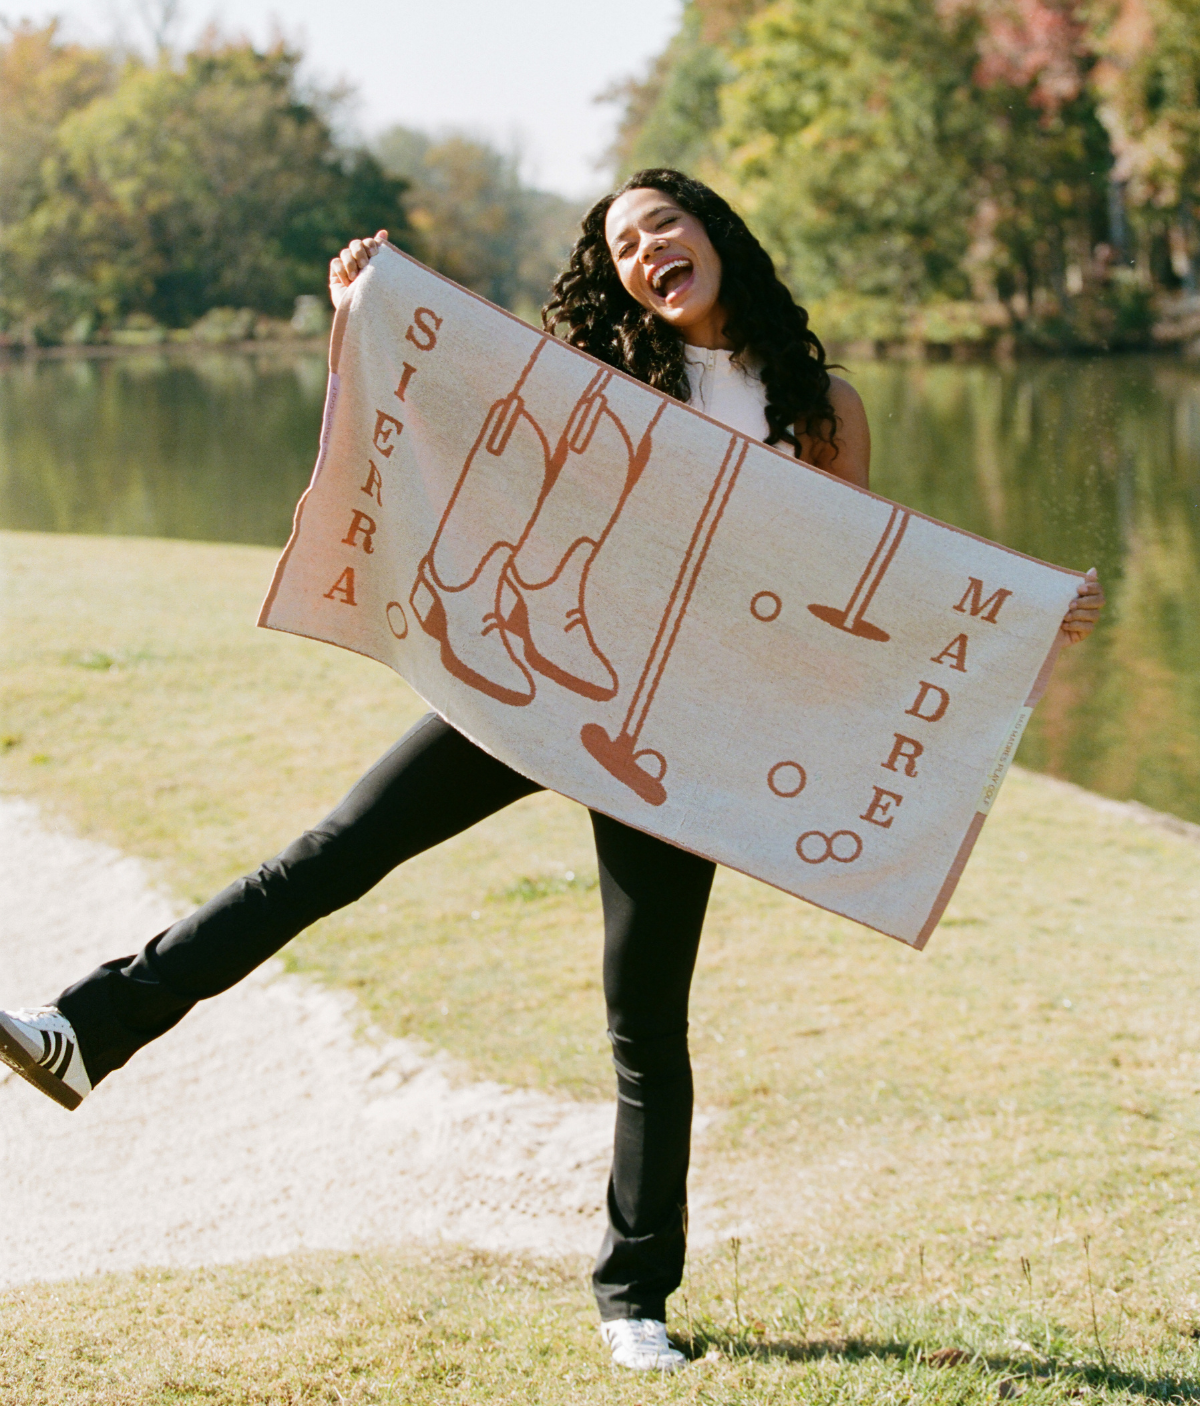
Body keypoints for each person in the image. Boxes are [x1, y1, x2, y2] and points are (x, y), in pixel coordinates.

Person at [0, 169, 1105, 1374]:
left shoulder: (820, 404)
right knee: (326, 859)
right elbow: (460, 401)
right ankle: (82, 1030)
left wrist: (1023, 618)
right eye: (624, 244)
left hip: (680, 741)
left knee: (645, 1022)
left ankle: (635, 1301)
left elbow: (853, 582)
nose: (645, 254)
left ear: (715, 232)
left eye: (662, 228)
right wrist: (366, 305)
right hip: (532, 680)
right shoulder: (605, 375)